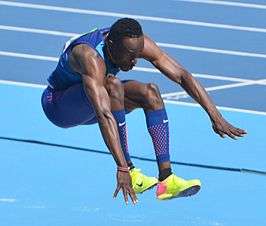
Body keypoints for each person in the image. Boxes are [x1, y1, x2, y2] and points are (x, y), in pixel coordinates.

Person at [41, 18, 247, 204]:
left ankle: (167, 179)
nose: (134, 61)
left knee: (151, 93)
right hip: (59, 106)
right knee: (113, 85)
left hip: (97, 100)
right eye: (130, 56)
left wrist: (215, 115)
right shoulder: (89, 56)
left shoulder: (132, 41)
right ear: (111, 46)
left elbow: (182, 75)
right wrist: (121, 167)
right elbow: (104, 115)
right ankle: (131, 171)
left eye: (137, 55)